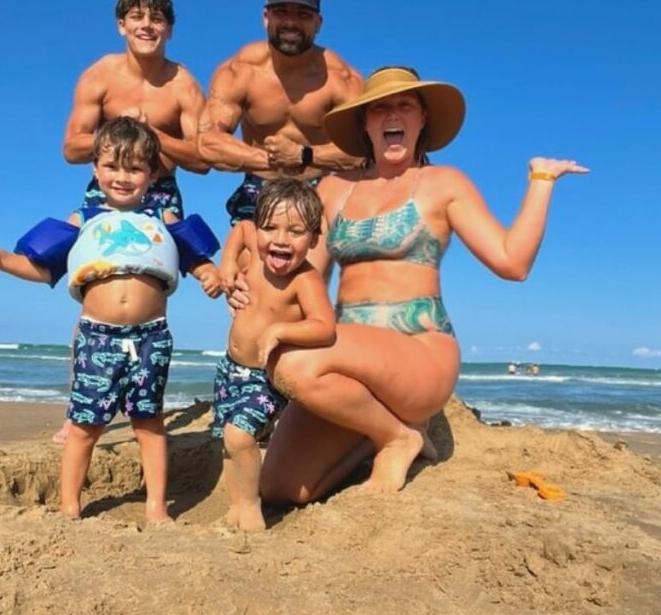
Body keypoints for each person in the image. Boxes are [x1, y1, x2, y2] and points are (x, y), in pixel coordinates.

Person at [235, 66, 588, 503]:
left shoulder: (443, 184)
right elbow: (301, 273)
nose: (392, 115)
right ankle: (392, 430)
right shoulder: (333, 189)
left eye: (404, 106)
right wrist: (248, 286)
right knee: (281, 488)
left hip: (420, 351)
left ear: (423, 120)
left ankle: (398, 438)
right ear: (364, 123)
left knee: (292, 362)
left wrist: (541, 181)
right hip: (351, 362)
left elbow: (512, 263)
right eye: (379, 108)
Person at [0, 118, 219, 522]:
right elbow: (42, 267)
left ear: (153, 172)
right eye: (113, 167)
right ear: (95, 169)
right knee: (85, 425)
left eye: (135, 168)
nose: (123, 177)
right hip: (96, 337)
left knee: (150, 422)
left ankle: (156, 506)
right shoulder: (82, 219)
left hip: (150, 337)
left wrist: (211, 275)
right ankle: (70, 506)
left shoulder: (164, 217)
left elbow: (198, 259)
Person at [197, 0, 364, 273]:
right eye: (281, 12)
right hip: (258, 183)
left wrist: (303, 156)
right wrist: (271, 159)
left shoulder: (341, 80)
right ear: (265, 17)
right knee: (249, 287)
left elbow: (365, 149)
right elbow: (208, 142)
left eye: (302, 13)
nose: (291, 21)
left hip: (319, 186)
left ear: (318, 22)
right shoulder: (240, 71)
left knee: (307, 287)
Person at [63, 0, 220, 297]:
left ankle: (149, 345)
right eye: (137, 16)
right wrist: (119, 135)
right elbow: (71, 147)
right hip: (108, 191)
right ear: (122, 25)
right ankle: (87, 346)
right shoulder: (100, 75)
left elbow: (204, 160)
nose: (147, 26)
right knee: (95, 281)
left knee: (153, 285)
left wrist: (153, 136)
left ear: (170, 30)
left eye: (157, 19)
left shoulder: (183, 85)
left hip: (161, 192)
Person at [213, 178, 335, 531]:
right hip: (229, 368)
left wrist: (281, 330)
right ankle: (235, 508)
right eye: (270, 228)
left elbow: (324, 326)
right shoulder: (253, 244)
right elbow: (240, 229)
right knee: (228, 441)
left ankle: (251, 509)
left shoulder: (304, 280)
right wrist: (227, 266)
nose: (279, 239)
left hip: (264, 378)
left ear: (313, 240)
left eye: (295, 231)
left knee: (240, 437)